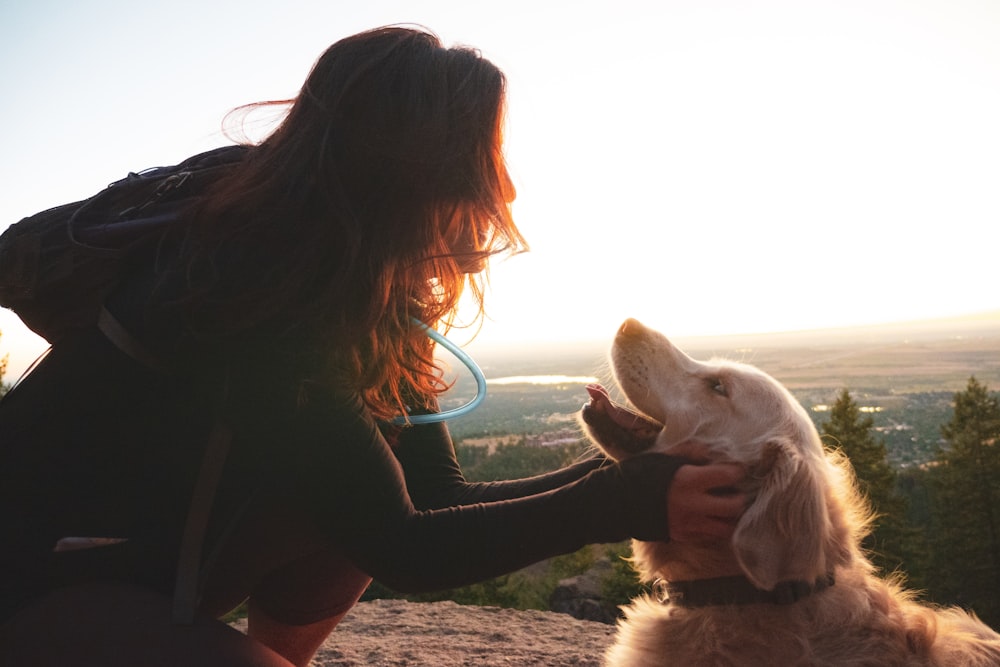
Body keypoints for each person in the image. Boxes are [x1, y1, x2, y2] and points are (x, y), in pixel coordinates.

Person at [0, 26, 746, 666]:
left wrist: (629, 470)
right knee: (364, 516)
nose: (506, 192)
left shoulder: (369, 294)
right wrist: (624, 500)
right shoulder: (241, 291)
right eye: (480, 160)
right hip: (34, 579)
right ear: (406, 171)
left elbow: (434, 500)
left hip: (148, 565)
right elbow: (407, 549)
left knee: (364, 493)